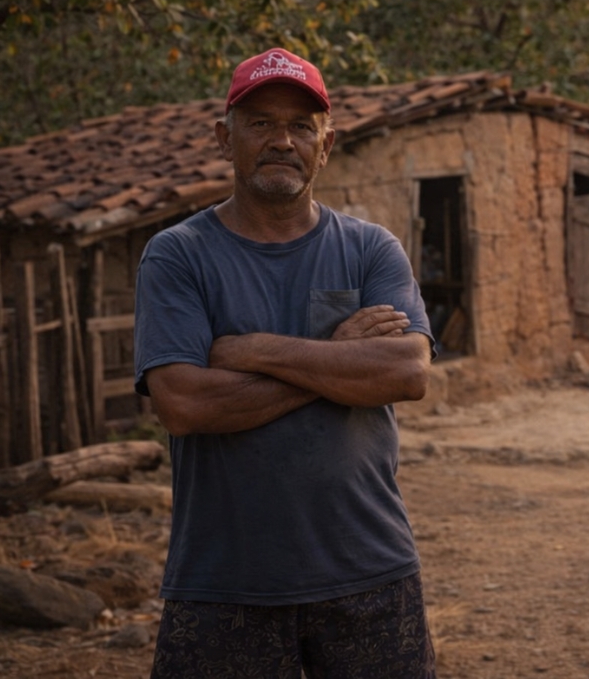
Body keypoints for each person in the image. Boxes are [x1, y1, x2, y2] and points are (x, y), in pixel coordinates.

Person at [133, 47, 438, 677]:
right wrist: (339, 359)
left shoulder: (370, 249)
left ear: (325, 147)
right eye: (261, 123)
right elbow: (184, 403)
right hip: (223, 581)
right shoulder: (179, 256)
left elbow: (406, 372)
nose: (282, 140)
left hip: (369, 571)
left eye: (302, 126)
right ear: (226, 138)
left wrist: (252, 350)